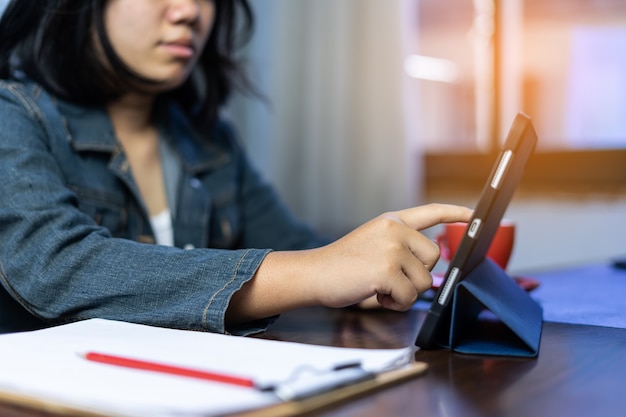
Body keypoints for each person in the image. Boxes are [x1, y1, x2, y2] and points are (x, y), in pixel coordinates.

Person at [0, 0, 472, 335]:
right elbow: (55, 268)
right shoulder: (12, 113)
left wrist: (372, 275)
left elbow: (299, 250)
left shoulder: (210, 141)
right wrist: (320, 271)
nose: (189, 11)